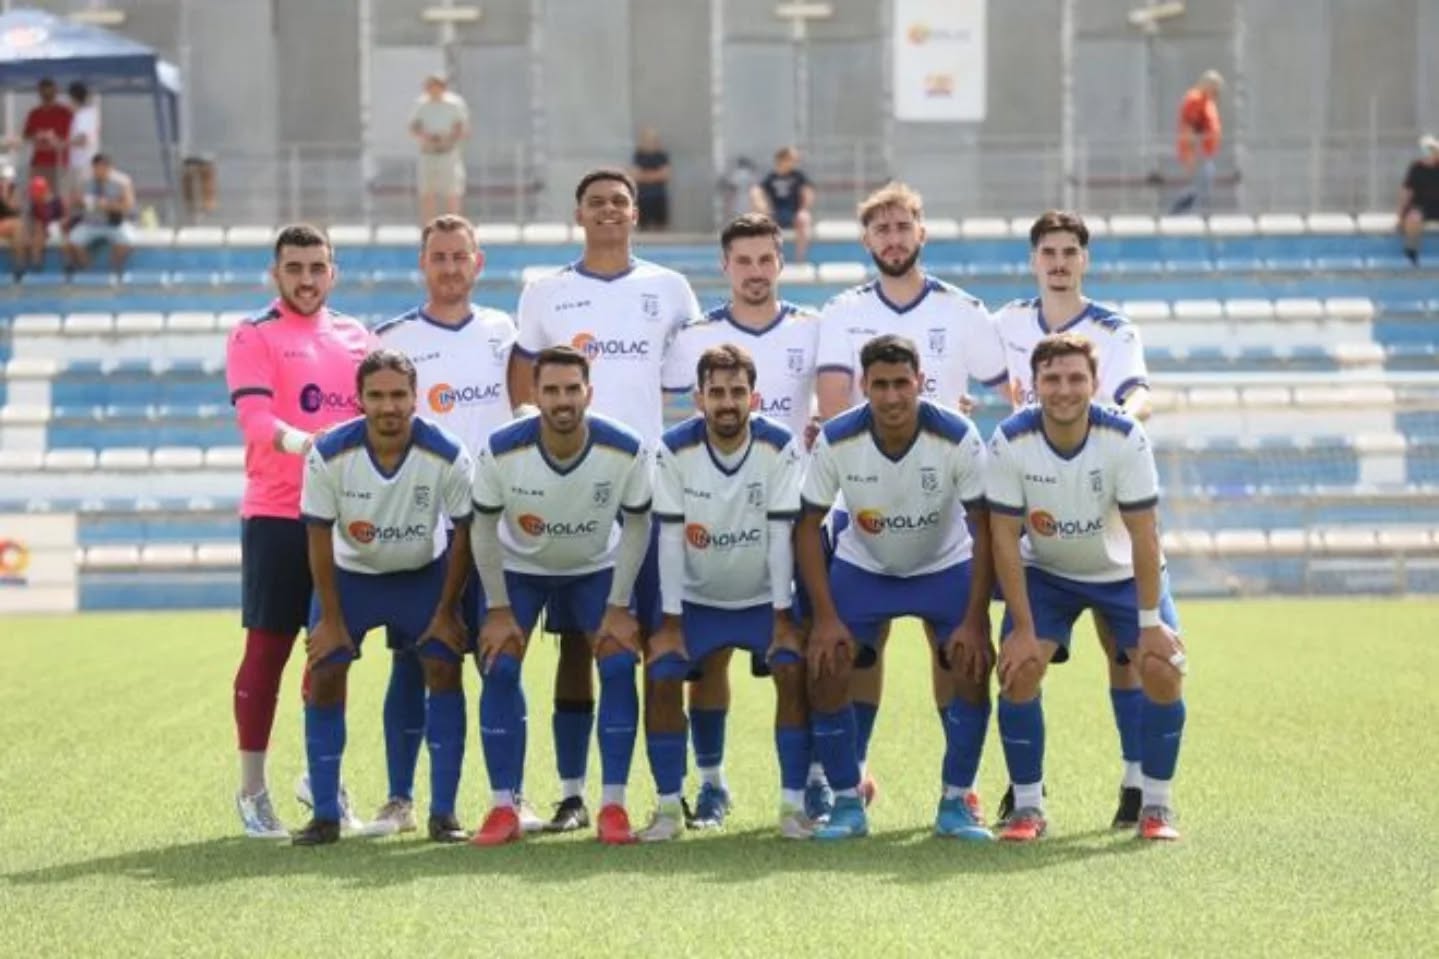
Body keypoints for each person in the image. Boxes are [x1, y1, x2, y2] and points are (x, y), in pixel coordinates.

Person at [510, 168, 700, 832]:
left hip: (645, 491)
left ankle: (669, 793)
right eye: (596, 202)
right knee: (575, 645)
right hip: (570, 494)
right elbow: (522, 384)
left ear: (635, 212)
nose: (609, 211)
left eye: (620, 201)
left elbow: (691, 381)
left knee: (656, 643)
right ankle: (573, 794)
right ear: (578, 214)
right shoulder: (545, 292)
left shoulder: (670, 288)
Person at [813, 182, 1007, 810]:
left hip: (943, 501)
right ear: (866, 240)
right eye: (882, 230)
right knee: (860, 647)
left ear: (921, 232)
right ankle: (854, 773)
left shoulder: (963, 309)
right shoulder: (842, 310)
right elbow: (833, 400)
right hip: (867, 500)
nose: (893, 239)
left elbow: (1015, 390)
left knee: (952, 648)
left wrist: (965, 433)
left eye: (903, 227)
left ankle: (961, 788)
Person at [970, 332, 1187, 842]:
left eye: (1075, 378)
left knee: (1163, 668)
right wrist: (1023, 630)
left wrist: (1151, 625)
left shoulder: (1125, 436)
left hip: (1123, 575)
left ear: (1094, 383)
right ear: (1033, 385)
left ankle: (1156, 804)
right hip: (1047, 574)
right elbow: (1003, 539)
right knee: (1019, 669)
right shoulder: (1010, 439)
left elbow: (1144, 534)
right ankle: (1027, 807)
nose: (1064, 389)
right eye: (1052, 379)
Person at [989, 210, 1154, 828]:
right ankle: (1022, 791)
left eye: (1069, 252)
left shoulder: (1112, 329)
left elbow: (1139, 393)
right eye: (1048, 253)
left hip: (1101, 500)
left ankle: (1136, 781)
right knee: (1018, 658)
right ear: (1034, 260)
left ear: (1084, 260)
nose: (1058, 263)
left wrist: (1121, 425)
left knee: (1126, 652)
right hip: (1036, 498)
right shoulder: (1005, 323)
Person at [659, 212, 823, 828]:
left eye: (765, 259)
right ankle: (711, 785)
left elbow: (839, 398)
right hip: (709, 511)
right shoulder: (694, 337)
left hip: (789, 515)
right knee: (707, 665)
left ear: (781, 262)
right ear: (725, 266)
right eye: (743, 260)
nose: (755, 271)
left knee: (804, 660)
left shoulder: (812, 327)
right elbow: (658, 400)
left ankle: (817, 783)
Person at [797, 334, 995, 841]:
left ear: (920, 382)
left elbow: (984, 525)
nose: (891, 396)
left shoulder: (957, 434)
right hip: (865, 567)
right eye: (880, 385)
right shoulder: (837, 437)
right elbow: (807, 525)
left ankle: (957, 800)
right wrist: (824, 618)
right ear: (864, 386)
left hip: (944, 566)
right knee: (826, 664)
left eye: (901, 383)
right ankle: (847, 801)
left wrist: (976, 620)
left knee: (972, 664)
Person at [367, 214, 528, 836]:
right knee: (411, 662)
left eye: (461, 256)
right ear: (423, 264)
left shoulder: (505, 332)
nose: (451, 267)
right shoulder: (393, 338)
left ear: (477, 263)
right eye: (439, 257)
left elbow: (523, 412)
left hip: (492, 527)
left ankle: (509, 796)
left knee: (499, 660)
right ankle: (400, 799)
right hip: (421, 532)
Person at [225, 224, 375, 839]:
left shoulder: (358, 337)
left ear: (332, 272)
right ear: (276, 273)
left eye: (317, 268)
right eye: (295, 268)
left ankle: (322, 778)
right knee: (268, 651)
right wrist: (308, 443)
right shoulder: (253, 333)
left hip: (343, 519)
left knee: (332, 652)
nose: (307, 279)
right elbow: (255, 420)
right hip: (278, 514)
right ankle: (252, 790)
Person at [468, 346, 653, 846]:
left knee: (618, 663)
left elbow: (638, 524)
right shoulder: (501, 448)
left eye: (572, 389)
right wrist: (498, 609)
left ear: (589, 393)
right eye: (551, 390)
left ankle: (612, 805)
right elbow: (482, 527)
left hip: (594, 567)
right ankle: (503, 806)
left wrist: (618, 605)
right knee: (499, 665)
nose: (563, 399)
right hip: (520, 569)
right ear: (534, 394)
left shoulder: (625, 447)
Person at [293, 349, 478, 846]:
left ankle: (444, 813)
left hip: (422, 577)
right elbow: (317, 535)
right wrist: (331, 620)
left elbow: (465, 531)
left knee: (443, 666)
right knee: (325, 670)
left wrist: (447, 611)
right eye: (376, 396)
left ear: (416, 398)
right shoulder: (329, 453)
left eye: (398, 395)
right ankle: (325, 815)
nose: (388, 406)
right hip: (351, 579)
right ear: (360, 399)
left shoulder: (446, 452)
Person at [640, 344, 810, 841]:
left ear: (754, 398)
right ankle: (678, 805)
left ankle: (795, 805)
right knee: (664, 674)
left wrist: (783, 618)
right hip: (697, 598)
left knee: (793, 669)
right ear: (699, 399)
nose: (728, 402)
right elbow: (670, 539)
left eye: (738, 392)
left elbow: (780, 534)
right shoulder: (673, 448)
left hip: (762, 597)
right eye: (717, 393)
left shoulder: (779, 445)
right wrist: (671, 625)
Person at [409, 74, 470, 223]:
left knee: (452, 193)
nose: (433, 90)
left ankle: (454, 227)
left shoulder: (454, 104)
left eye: (436, 86)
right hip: (428, 154)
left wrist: (447, 138)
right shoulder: (421, 105)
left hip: (448, 154)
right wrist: (426, 137)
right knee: (427, 193)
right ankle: (428, 227)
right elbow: (413, 127)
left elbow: (462, 128)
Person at [63, 153, 134, 276]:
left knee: (127, 241)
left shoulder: (122, 182)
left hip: (114, 223)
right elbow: (73, 202)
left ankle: (114, 269)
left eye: (103, 168)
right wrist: (79, 201)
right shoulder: (84, 181)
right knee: (73, 241)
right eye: (97, 168)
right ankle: (88, 271)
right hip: (90, 222)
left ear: (110, 168)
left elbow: (128, 205)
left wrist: (107, 205)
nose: (100, 171)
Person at [1169, 69, 1223, 215]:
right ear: (1207, 84)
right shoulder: (1196, 100)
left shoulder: (1206, 101)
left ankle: (1185, 213)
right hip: (1198, 152)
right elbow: (1190, 127)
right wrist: (1191, 154)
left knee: (1202, 186)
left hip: (1205, 152)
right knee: (1200, 187)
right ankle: (1179, 212)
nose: (1218, 91)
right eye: (1216, 86)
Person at [750, 146, 814, 262]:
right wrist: (761, 205)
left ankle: (800, 257)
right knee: (759, 221)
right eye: (792, 159)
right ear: (781, 159)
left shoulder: (798, 176)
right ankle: (767, 257)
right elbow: (756, 190)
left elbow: (808, 191)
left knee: (804, 218)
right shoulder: (771, 177)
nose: (795, 162)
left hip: (794, 213)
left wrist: (804, 208)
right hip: (775, 213)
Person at [22, 77, 71, 194]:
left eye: (50, 91)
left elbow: (71, 137)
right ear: (39, 92)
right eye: (44, 91)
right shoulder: (34, 113)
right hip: (38, 163)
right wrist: (37, 136)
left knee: (57, 196)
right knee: (37, 196)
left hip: (59, 163)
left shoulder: (65, 112)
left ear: (56, 92)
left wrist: (53, 138)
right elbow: (26, 135)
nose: (47, 94)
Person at [1398, 135, 1439, 266]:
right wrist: (1400, 215)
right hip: (1420, 205)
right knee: (1414, 218)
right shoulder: (1416, 168)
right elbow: (1407, 192)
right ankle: (1412, 251)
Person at [631, 127, 671, 231]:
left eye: (652, 139)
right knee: (643, 226)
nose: (650, 142)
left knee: (660, 226)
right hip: (643, 197)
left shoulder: (661, 156)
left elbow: (665, 175)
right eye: (647, 139)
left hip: (659, 197)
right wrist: (655, 175)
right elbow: (635, 176)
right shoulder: (638, 155)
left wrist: (645, 175)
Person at [66, 82, 99, 195]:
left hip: (83, 164)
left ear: (73, 98)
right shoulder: (83, 114)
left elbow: (82, 140)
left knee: (82, 195)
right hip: (79, 163)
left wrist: (61, 143)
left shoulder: (84, 115)